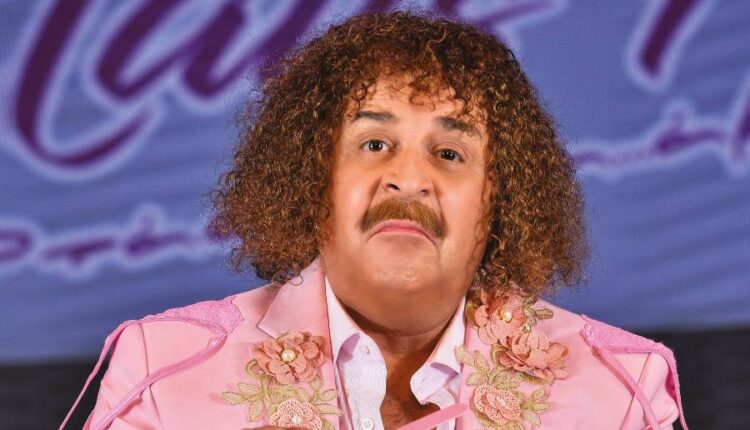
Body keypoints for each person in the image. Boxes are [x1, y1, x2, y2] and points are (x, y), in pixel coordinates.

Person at [61, 11, 687, 430]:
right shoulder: (165, 371)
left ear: (500, 203)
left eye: (449, 154)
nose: (408, 179)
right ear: (312, 179)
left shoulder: (621, 389)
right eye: (374, 144)